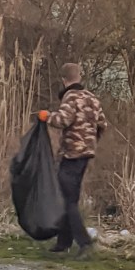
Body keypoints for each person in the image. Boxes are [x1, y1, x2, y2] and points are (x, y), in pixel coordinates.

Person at [38, 63, 107, 258]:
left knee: (66, 200)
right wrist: (91, 141)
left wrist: (47, 117)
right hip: (86, 154)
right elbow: (103, 123)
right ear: (80, 76)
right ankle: (63, 242)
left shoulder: (70, 97)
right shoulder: (92, 98)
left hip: (71, 154)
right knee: (70, 198)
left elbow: (63, 120)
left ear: (63, 79)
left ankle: (84, 243)